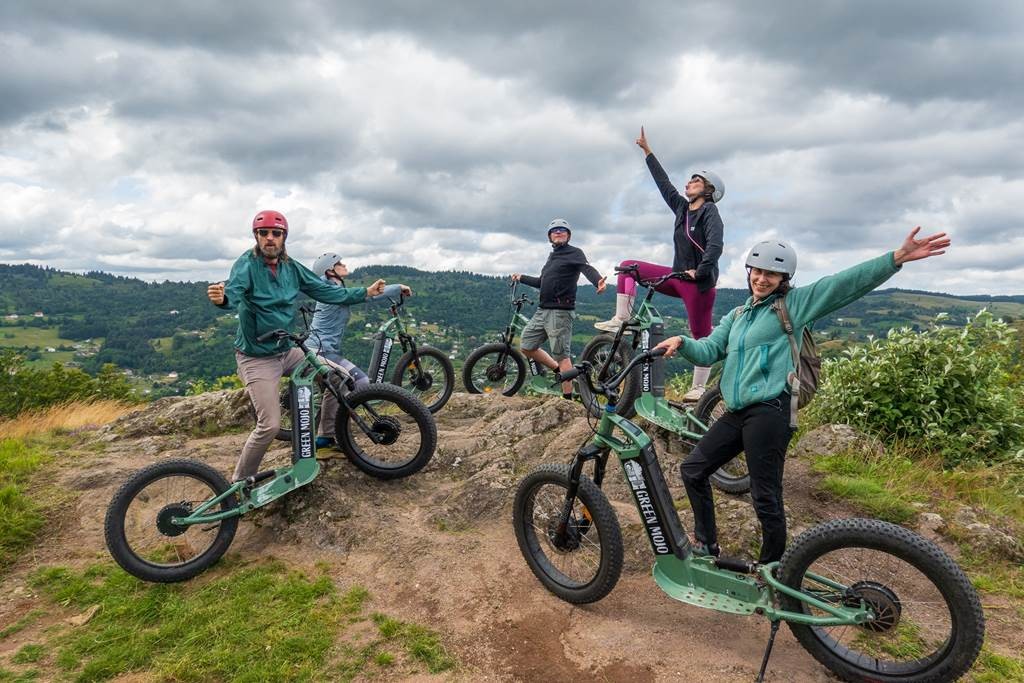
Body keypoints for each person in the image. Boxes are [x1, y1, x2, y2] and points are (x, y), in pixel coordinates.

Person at [654, 227, 950, 563]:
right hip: (737, 411)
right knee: (693, 469)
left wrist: (895, 259)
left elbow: (841, 285)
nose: (762, 279)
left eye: (771, 274)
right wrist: (682, 343)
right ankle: (707, 544)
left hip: (771, 410)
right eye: (758, 271)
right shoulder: (738, 315)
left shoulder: (793, 305)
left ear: (783, 279)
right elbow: (709, 350)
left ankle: (774, 569)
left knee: (765, 496)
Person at [207, 210, 385, 482]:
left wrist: (365, 293)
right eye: (263, 233)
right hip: (256, 358)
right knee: (270, 426)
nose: (269, 238)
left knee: (338, 377)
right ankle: (240, 483)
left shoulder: (292, 268)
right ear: (256, 236)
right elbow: (234, 291)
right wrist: (221, 299)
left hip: (287, 350)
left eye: (275, 234)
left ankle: (326, 438)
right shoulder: (246, 266)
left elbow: (326, 291)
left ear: (283, 238)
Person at [596, 126, 724, 401]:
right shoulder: (681, 208)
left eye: (696, 180)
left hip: (699, 285)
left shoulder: (710, 211)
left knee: (702, 337)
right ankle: (623, 318)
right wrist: (648, 151)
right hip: (677, 277)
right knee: (628, 266)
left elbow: (715, 246)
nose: (689, 182)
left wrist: (699, 272)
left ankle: (699, 388)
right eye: (690, 179)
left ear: (708, 189)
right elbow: (663, 183)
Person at [306, 251, 412, 449]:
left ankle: (326, 436)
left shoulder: (333, 288)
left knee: (338, 387)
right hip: (320, 352)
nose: (344, 264)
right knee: (361, 382)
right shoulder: (332, 292)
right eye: (339, 263)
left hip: (326, 351)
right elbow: (368, 297)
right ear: (330, 270)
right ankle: (339, 432)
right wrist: (399, 288)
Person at [513, 219, 607, 398]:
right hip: (543, 310)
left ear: (568, 235)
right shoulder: (552, 257)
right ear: (549, 236)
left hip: (560, 312)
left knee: (562, 355)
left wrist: (598, 281)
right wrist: (521, 277)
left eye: (562, 230)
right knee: (526, 345)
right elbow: (541, 283)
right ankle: (560, 371)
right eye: (554, 230)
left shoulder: (575, 253)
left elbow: (587, 269)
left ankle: (568, 399)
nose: (558, 232)